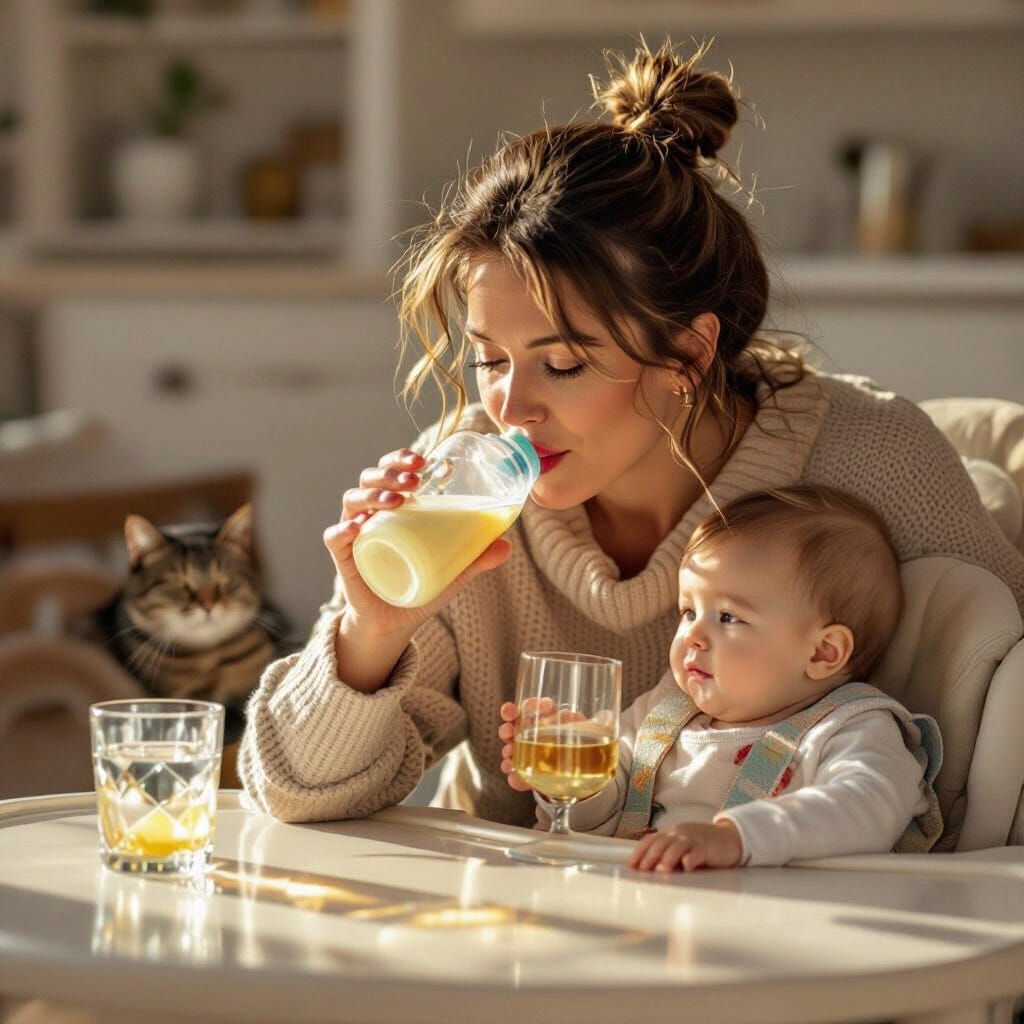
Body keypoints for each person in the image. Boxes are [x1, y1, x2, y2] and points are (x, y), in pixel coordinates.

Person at [238, 40, 1024, 827]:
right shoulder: (459, 494)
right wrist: (369, 634)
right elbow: (296, 792)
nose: (510, 409)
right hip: (517, 923)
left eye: (564, 366)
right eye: (489, 359)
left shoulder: (874, 459)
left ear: (687, 353)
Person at [498, 486, 943, 871]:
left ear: (823, 652)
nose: (692, 633)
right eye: (688, 611)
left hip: (779, 934)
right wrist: (575, 781)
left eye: (727, 616)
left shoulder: (850, 728)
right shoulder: (664, 712)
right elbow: (598, 824)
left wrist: (737, 838)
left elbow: (866, 807)